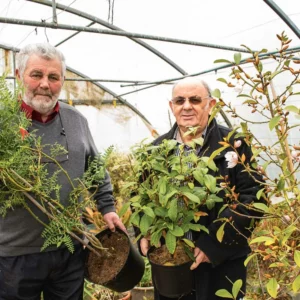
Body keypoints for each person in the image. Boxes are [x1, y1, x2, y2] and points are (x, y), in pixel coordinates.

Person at [0, 43, 126, 300]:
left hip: (69, 247)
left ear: (62, 80)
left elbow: (95, 168)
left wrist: (108, 207)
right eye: (36, 75)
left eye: (53, 77)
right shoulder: (4, 122)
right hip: (14, 255)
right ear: (18, 74)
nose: (45, 84)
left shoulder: (76, 120)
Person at [139, 77, 265, 300]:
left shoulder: (232, 145)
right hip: (171, 264)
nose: (187, 106)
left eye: (195, 100)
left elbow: (254, 198)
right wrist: (144, 231)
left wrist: (213, 245)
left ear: (211, 104)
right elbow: (141, 199)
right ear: (172, 106)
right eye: (180, 100)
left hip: (221, 265)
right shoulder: (156, 150)